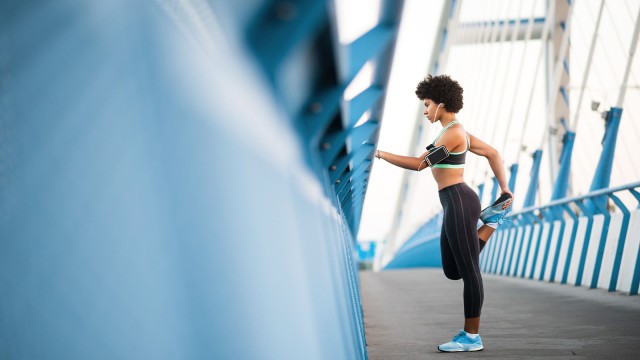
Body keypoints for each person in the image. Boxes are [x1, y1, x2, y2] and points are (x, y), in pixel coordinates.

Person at [375, 74, 514, 352]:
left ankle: (471, 336)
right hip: (453, 201)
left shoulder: (453, 133)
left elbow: (418, 165)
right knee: (452, 270)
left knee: (470, 270)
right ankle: (494, 222)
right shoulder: (453, 131)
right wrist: (505, 188)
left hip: (460, 199)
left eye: (427, 105)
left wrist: (378, 154)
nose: (425, 111)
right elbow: (493, 153)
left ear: (441, 103)